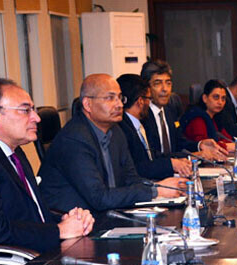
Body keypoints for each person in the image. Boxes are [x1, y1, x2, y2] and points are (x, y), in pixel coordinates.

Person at [0, 79, 94, 254]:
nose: (36, 118)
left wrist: (69, 221)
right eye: (25, 110)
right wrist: (59, 231)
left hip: (37, 252)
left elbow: (31, 214)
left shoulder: (13, 150)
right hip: (11, 263)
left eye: (33, 110)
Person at [39, 74, 185, 213]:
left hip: (108, 212)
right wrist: (155, 191)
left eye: (120, 98)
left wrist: (159, 186)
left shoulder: (116, 132)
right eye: (110, 98)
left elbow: (131, 179)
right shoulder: (74, 140)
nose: (119, 105)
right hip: (73, 220)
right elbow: (99, 198)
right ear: (88, 104)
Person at [139, 60, 227, 163]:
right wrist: (190, 156)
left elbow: (179, 143)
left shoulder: (169, 111)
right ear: (147, 88)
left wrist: (199, 145)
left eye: (168, 83)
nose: (165, 89)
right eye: (157, 83)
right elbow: (154, 156)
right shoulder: (142, 115)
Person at [116, 74, 191, 179]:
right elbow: (136, 168)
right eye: (149, 98)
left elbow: (152, 155)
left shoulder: (137, 124)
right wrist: (171, 164)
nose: (149, 103)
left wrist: (176, 161)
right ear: (140, 101)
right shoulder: (122, 129)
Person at [181, 80, 237, 151]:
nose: (220, 102)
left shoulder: (216, 117)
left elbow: (227, 139)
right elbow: (204, 146)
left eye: (223, 98)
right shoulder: (197, 120)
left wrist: (235, 144)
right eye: (216, 97)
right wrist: (227, 146)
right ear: (205, 98)